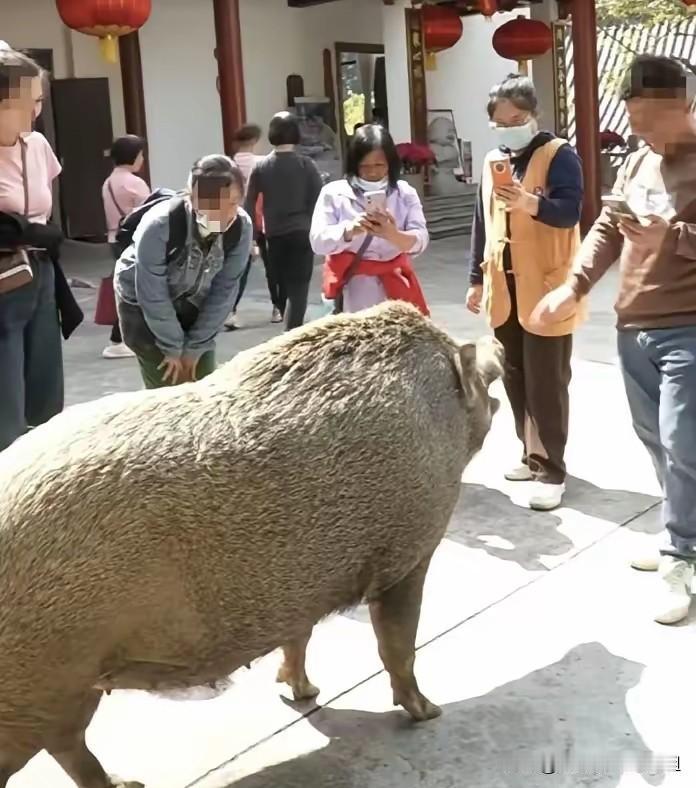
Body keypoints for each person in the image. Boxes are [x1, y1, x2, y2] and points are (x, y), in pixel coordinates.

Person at [533, 55, 696, 624]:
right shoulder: (639, 163)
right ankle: (684, 531)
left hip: (690, 328)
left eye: (651, 121)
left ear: (685, 105)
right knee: (655, 438)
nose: (641, 133)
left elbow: (665, 235)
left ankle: (681, 556)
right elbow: (606, 227)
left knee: (684, 441)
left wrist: (672, 238)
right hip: (635, 326)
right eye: (634, 121)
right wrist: (572, 285)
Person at [466, 74, 584, 512]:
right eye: (500, 122)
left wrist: (530, 203)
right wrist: (475, 279)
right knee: (514, 374)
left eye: (516, 119)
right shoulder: (493, 161)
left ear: (532, 115)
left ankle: (552, 469)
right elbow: (481, 222)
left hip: (547, 286)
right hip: (504, 285)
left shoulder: (558, 155)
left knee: (547, 380)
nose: (508, 127)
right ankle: (529, 453)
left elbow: (571, 211)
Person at [0, 45, 81, 452]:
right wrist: (22, 231)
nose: (36, 112)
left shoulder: (38, 147)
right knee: (6, 398)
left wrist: (39, 233)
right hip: (2, 279)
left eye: (39, 101)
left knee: (46, 384)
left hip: (41, 274)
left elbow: (45, 208)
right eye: (29, 102)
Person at [115, 155, 252, 388]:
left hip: (194, 303)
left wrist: (196, 346)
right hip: (143, 307)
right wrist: (172, 347)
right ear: (196, 200)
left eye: (234, 202)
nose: (228, 213)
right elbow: (152, 292)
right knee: (166, 389)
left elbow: (226, 289)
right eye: (217, 205)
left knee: (204, 385)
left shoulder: (241, 227)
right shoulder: (159, 225)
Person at [310, 123, 429, 315]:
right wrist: (349, 231)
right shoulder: (333, 193)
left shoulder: (404, 194)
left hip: (397, 289)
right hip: (353, 291)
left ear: (390, 163)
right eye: (364, 166)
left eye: (379, 165)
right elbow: (317, 242)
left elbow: (421, 239)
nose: (372, 172)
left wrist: (393, 235)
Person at [245, 112, 323, 331]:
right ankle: (293, 332)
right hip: (302, 233)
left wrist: (251, 238)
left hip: (275, 236)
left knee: (283, 287)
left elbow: (249, 202)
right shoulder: (305, 165)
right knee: (299, 289)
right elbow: (319, 199)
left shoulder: (261, 167)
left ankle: (289, 329)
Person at [224, 123, 283, 329]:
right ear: (255, 141)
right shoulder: (264, 163)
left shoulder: (226, 165)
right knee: (273, 266)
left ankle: (230, 311)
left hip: (234, 220)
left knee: (237, 268)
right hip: (263, 219)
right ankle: (278, 308)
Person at [101, 134, 149, 359]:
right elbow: (150, 213)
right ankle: (120, 338)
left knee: (126, 287)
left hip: (115, 239)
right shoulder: (135, 183)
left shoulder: (109, 182)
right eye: (140, 155)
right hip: (134, 240)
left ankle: (122, 337)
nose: (142, 159)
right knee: (135, 290)